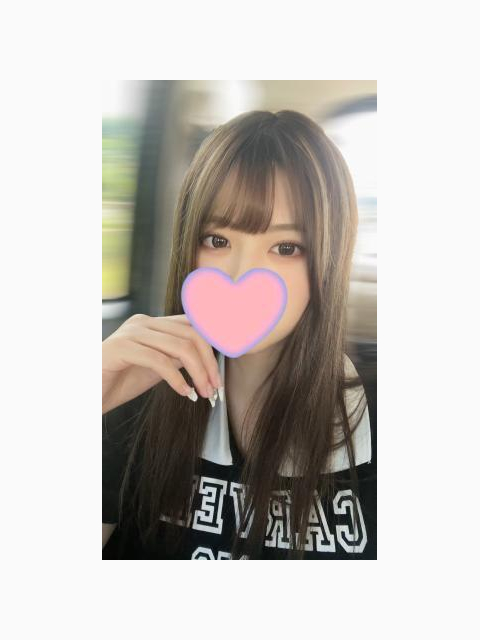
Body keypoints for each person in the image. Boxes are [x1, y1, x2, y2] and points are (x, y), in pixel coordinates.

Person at [102, 109, 376, 560]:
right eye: (217, 240)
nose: (241, 274)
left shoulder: (374, 419)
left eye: (285, 247)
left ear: (327, 262)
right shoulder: (137, 392)